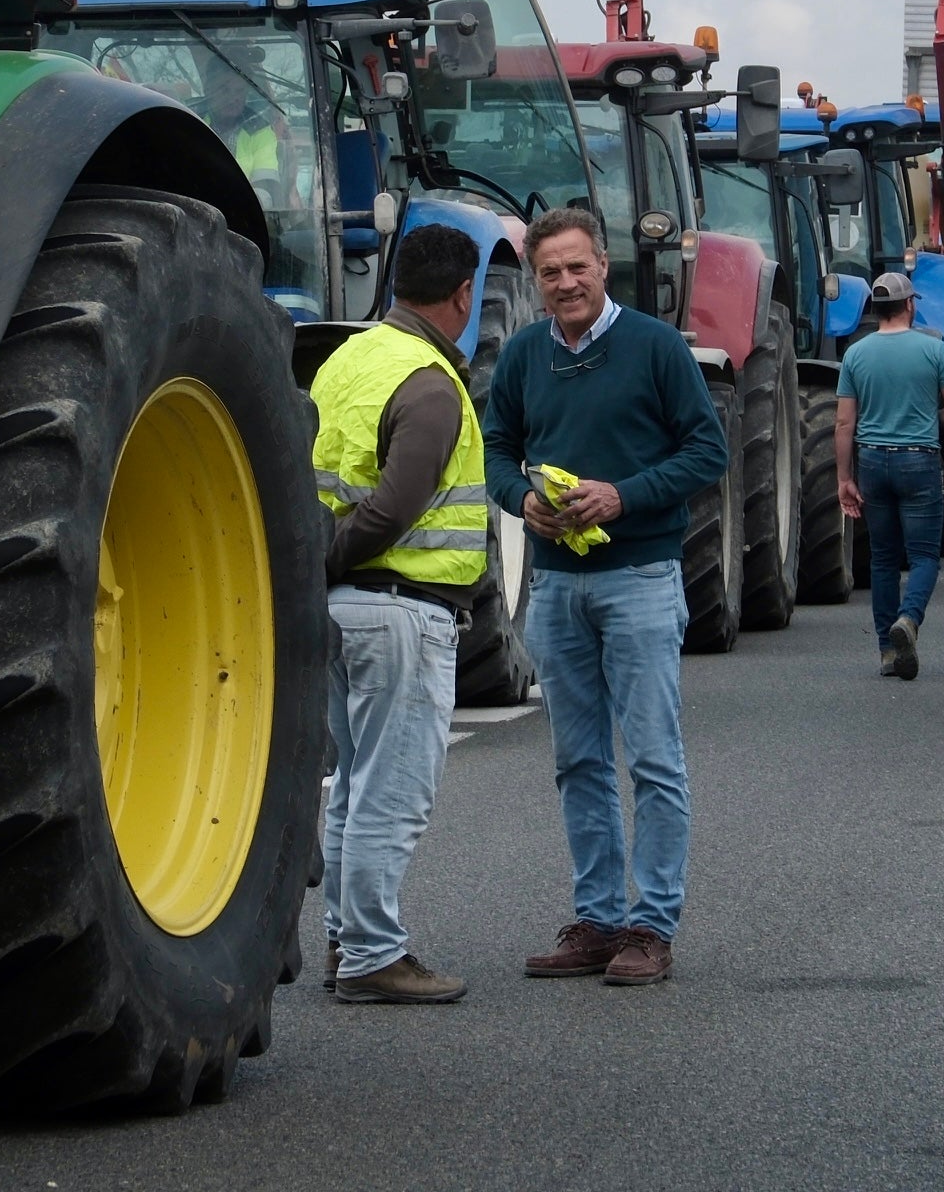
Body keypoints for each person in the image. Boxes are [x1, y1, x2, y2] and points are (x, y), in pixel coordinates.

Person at [483, 204, 728, 988]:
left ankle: (651, 927)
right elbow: (495, 448)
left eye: (577, 267)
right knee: (578, 760)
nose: (565, 283)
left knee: (654, 760)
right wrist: (519, 500)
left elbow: (707, 450)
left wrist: (623, 497)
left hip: (641, 579)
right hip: (557, 586)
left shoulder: (656, 348)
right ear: (536, 279)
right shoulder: (524, 356)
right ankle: (597, 920)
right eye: (550, 272)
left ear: (603, 266)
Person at [312, 222, 490, 1004]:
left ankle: (343, 942)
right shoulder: (430, 383)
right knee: (392, 793)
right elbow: (391, 511)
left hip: (339, 612)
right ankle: (374, 956)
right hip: (401, 610)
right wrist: (334, 557)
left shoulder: (344, 361)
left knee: (352, 786)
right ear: (462, 295)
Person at [835, 269, 944, 680]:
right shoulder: (934, 349)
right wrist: (928, 420)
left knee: (883, 559)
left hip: (872, 461)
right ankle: (908, 620)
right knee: (925, 555)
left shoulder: (855, 354)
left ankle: (886, 652)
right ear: (909, 305)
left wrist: (844, 478)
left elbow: (843, 423)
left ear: (876, 310)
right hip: (919, 458)